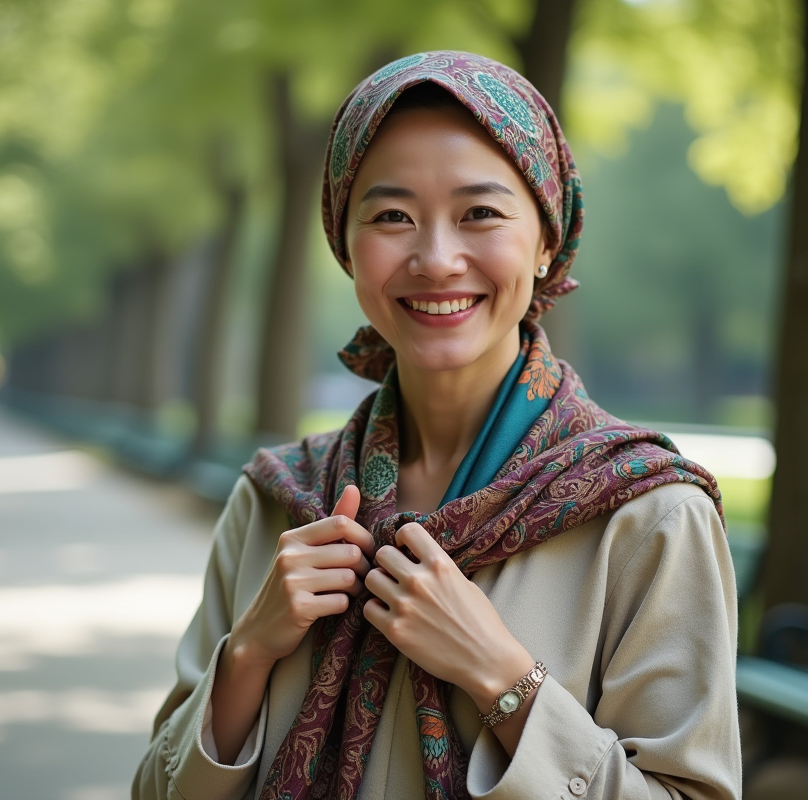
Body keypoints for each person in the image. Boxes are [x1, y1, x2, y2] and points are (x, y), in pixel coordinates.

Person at [134, 51, 740, 800]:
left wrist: (505, 679)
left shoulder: (649, 516)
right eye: (392, 216)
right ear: (345, 245)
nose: (436, 258)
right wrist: (249, 655)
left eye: (480, 213)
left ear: (546, 242)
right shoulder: (276, 500)